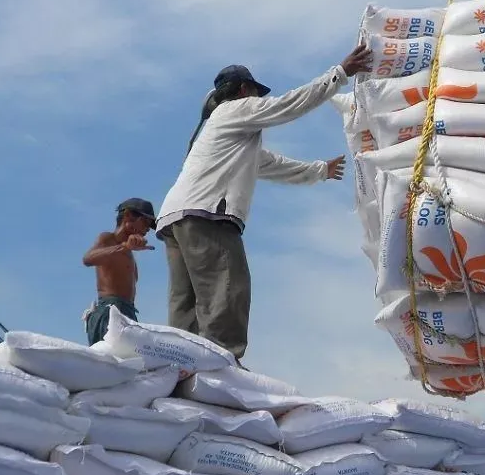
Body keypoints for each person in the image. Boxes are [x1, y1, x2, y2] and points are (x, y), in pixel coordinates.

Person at [154, 44, 372, 361]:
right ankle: (221, 363)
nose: (258, 100)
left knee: (185, 304)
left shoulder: (223, 134)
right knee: (226, 289)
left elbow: (270, 164)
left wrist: (319, 170)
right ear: (244, 90)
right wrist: (338, 74)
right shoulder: (234, 110)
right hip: (207, 215)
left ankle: (178, 365)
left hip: (175, 218)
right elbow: (287, 106)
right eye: (255, 93)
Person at [81, 198, 156, 345]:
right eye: (146, 222)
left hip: (127, 312)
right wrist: (125, 247)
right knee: (109, 363)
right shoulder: (109, 239)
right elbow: (87, 259)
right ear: (128, 215)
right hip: (110, 311)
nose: (147, 229)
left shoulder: (128, 252)